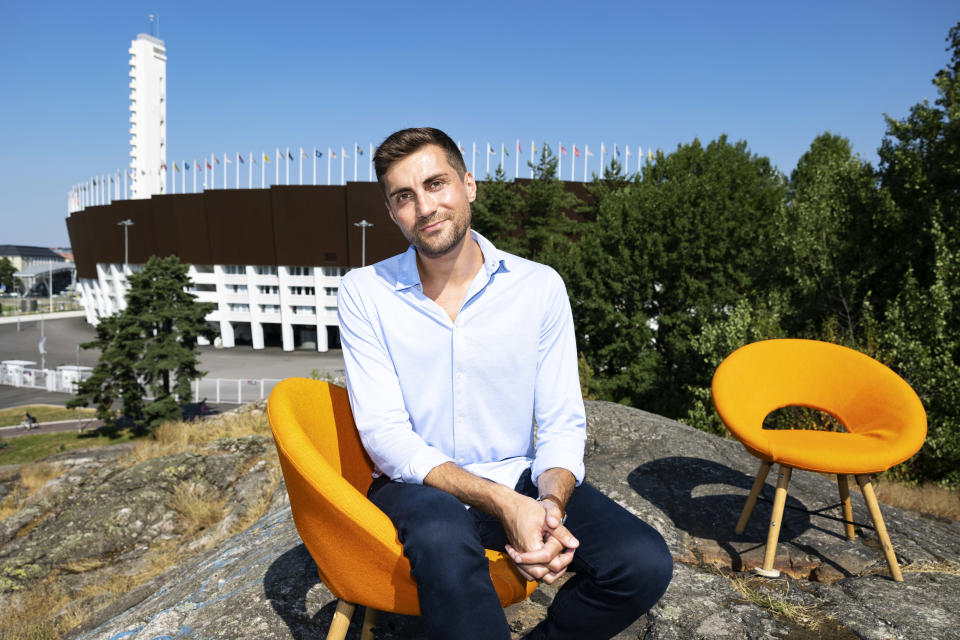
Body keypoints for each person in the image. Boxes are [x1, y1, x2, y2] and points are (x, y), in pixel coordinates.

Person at [337, 127, 672, 640]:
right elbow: (386, 435)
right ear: (390, 211)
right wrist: (504, 503)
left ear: (468, 185)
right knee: (444, 541)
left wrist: (550, 505)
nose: (424, 207)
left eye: (436, 184)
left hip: (519, 476)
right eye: (404, 196)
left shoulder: (538, 287)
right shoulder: (364, 292)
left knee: (641, 562)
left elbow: (561, 419)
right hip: (417, 485)